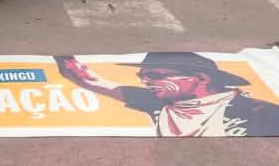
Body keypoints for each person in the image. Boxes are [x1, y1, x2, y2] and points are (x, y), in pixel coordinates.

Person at [56, 53, 279, 137]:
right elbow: (87, 79)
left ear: (201, 78)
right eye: (143, 75)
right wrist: (62, 54)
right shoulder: (153, 101)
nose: (145, 81)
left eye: (157, 75)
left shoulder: (258, 113)